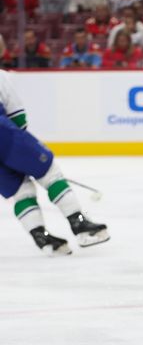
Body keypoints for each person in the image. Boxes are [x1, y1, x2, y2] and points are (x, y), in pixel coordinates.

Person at [0, 70, 108, 255]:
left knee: (21, 191)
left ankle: (42, 237)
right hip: (5, 135)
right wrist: (22, 146)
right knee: (50, 173)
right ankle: (78, 223)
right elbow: (18, 116)